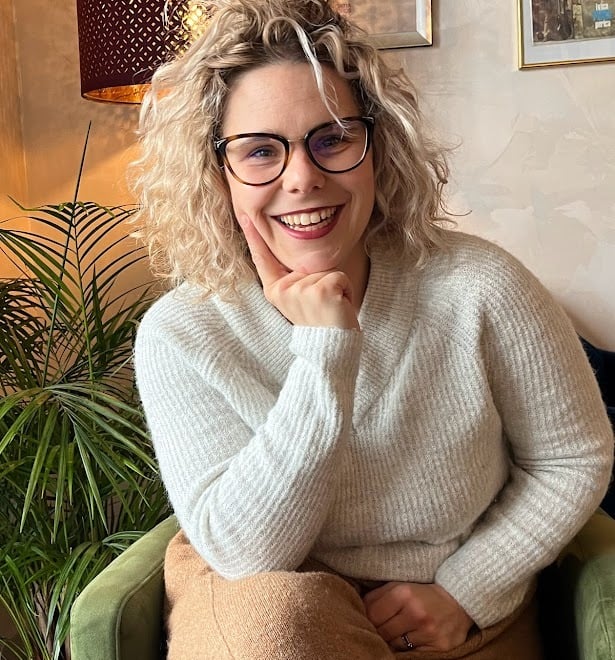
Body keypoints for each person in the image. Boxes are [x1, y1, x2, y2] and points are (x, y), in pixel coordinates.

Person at [131, 0, 614, 658]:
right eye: (260, 151)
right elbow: (245, 555)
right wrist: (325, 351)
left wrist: (466, 590)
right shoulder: (180, 332)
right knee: (272, 627)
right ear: (217, 173)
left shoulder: (482, 286)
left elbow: (571, 458)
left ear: (377, 147)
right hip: (268, 604)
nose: (302, 178)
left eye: (332, 138)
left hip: (451, 612)